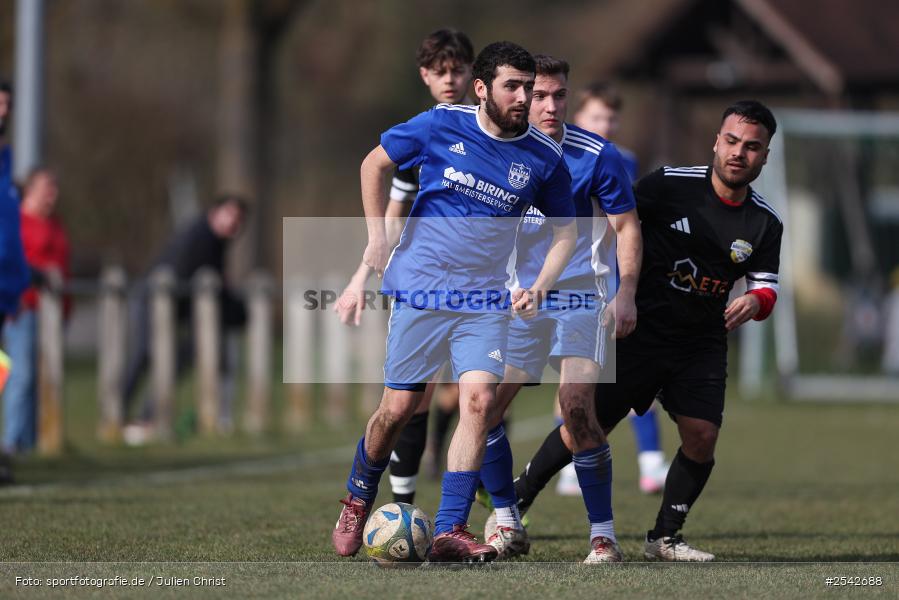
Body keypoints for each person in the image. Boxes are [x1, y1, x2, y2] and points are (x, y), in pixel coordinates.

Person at [332, 41, 576, 563]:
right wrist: (377, 236)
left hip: (485, 299)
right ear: (483, 88)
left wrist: (541, 283)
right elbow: (373, 164)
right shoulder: (440, 124)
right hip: (421, 288)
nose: (524, 97)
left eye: (529, 88)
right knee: (397, 410)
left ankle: (450, 529)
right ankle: (357, 497)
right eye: (513, 86)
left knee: (479, 404)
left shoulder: (545, 157)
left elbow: (564, 234)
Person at [508, 100, 783, 561]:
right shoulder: (669, 185)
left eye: (752, 147)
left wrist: (755, 301)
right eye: (732, 141)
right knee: (586, 421)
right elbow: (621, 225)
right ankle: (521, 492)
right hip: (638, 330)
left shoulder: (765, 222)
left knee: (702, 436)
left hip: (701, 343)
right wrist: (614, 291)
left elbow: (767, 286)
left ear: (765, 156)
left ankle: (665, 537)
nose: (739, 153)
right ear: (716, 141)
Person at [479, 56, 641, 562]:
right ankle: (507, 519)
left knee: (575, 407)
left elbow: (627, 227)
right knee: (481, 408)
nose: (549, 106)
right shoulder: (494, 150)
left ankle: (603, 536)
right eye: (539, 95)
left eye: (559, 96)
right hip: (515, 303)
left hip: (580, 300)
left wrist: (627, 290)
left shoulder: (597, 155)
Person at [334, 28, 475, 505]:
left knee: (476, 395)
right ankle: (403, 505)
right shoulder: (423, 137)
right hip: (424, 283)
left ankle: (496, 502)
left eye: (458, 70)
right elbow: (391, 222)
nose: (450, 79)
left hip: (481, 286)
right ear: (425, 76)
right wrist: (359, 279)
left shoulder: (491, 134)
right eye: (441, 72)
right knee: (410, 400)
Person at [554, 81, 670, 496]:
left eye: (611, 118)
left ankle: (650, 462)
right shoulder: (555, 155)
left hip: (614, 280)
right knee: (573, 383)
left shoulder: (623, 159)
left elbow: (625, 221)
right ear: (580, 117)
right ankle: (566, 464)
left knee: (634, 373)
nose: (606, 124)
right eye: (597, 117)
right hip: (568, 281)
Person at [121, 195, 248, 435]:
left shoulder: (217, 244)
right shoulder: (199, 237)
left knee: (176, 360)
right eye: (230, 215)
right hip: (152, 300)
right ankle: (117, 414)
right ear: (214, 213)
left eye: (239, 219)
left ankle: (147, 416)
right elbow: (191, 280)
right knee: (144, 355)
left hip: (175, 308)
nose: (234, 223)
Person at [2, 168, 69, 454]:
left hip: (50, 313)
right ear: (30, 190)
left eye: (55, 187)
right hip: (21, 307)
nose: (52, 193)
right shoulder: (16, 219)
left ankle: (26, 442)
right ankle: (13, 441)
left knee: (37, 377)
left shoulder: (54, 224)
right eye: (46, 187)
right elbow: (12, 261)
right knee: (20, 373)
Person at [0, 79, 30, 483]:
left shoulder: (7, 165)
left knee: (4, 370)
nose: (3, 111)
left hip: (5, 290)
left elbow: (10, 234)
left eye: (7, 104)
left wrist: (18, 283)